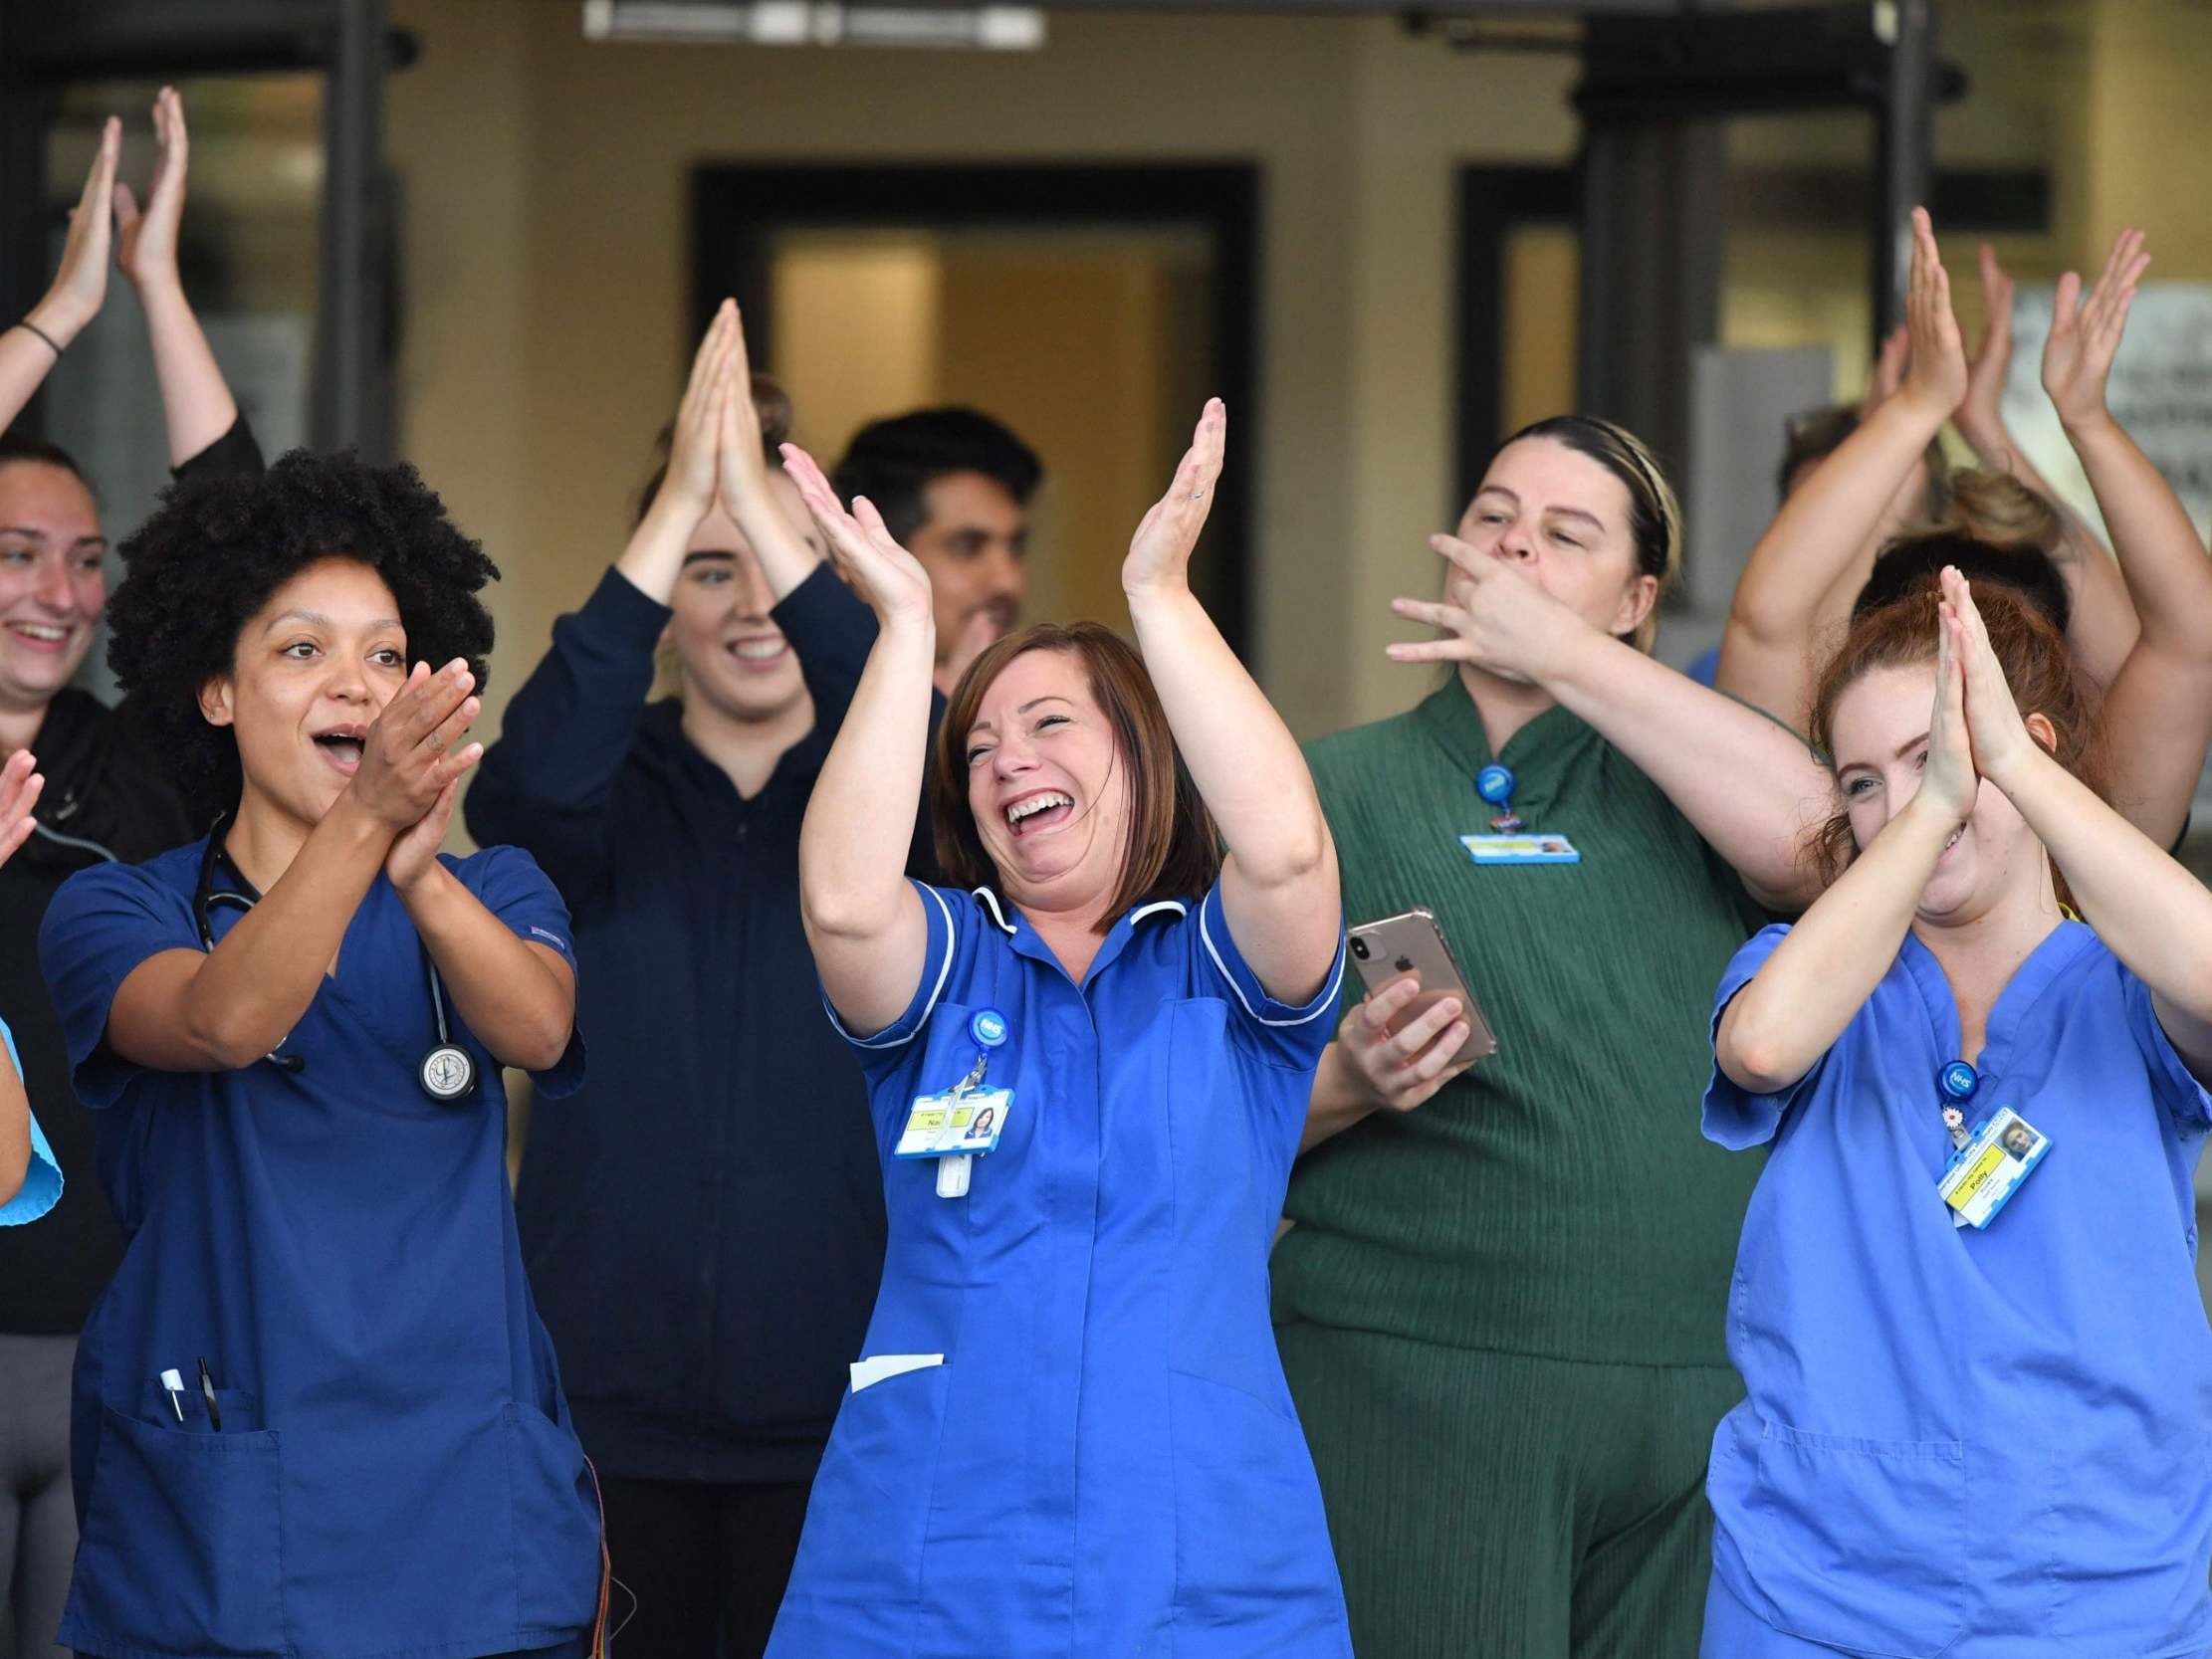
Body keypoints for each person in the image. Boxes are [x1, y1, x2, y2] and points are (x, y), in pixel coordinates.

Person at [770, 399, 1353, 1656]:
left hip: (1197, 1549)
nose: (1002, 759)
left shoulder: (1217, 965)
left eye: (1046, 724)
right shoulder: (945, 959)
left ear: (1140, 755)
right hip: (925, 1551)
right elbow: (837, 902)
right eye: (976, 745)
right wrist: (903, 631)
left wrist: (1161, 601)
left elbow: (1292, 849)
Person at [1277, 413, 1835, 1658]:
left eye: (1564, 534)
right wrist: (1350, 1078)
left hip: (1692, 1389)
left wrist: (1572, 664)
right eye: (1491, 516)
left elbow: (1820, 844)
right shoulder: (1328, 781)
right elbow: (1206, 1102)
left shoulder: (1698, 783)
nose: (1513, 547)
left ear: (1637, 599)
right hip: (1421, 1378)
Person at [37, 450, 602, 1659]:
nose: (358, 684)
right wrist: (365, 824)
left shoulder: (491, 886)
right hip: (230, 1532)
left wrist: (412, 867)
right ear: (216, 693)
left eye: (386, 654)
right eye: (302, 650)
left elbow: (538, 1027)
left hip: (469, 1523)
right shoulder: (115, 910)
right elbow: (222, 1022)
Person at [466, 303, 908, 1659]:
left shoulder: (899, 808)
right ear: (660, 608)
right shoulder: (597, 794)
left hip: (844, 1397)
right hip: (604, 1397)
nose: (752, 605)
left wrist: (777, 525)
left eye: (777, 572)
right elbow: (519, 787)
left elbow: (921, 727)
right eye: (707, 572)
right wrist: (673, 515)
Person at [1699, 567, 2212, 1657]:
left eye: (1933, 755)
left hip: (2096, 1585)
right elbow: (1758, 1047)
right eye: (1860, 782)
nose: (1896, 801)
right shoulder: (1811, 970)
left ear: (2026, 747)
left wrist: (2012, 771)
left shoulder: (2125, 979)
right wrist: (1938, 800)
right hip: (1812, 1577)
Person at [0, 91, 264, 1659]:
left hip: (115, 1328)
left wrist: (159, 288)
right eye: (20, 551)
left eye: (88, 558)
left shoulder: (137, 763)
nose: (64, 589)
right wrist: (58, 312)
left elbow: (241, 551)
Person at [1719, 215, 2212, 850]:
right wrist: (1915, 413)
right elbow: (1769, 623)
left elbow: (2188, 632)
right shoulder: (1824, 840)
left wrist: (2076, 418)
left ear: (2045, 725)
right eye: (1873, 777)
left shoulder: (2105, 826)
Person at [831, 406, 1041, 695]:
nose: (1009, 581)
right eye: (967, 547)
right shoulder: (807, 708)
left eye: (1015, 547)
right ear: (872, 561)